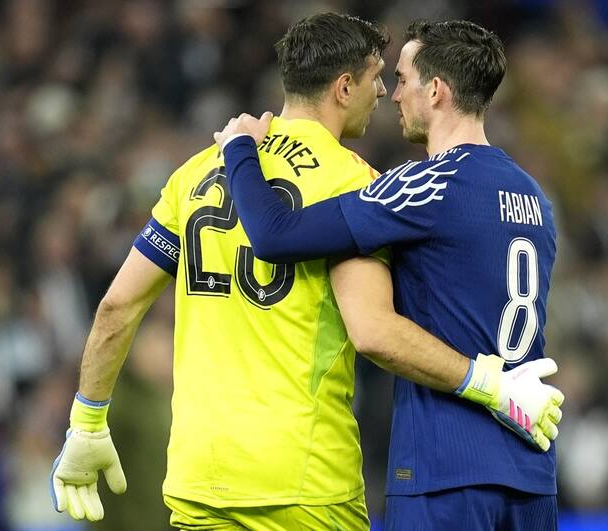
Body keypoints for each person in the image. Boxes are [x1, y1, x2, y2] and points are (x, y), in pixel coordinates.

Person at [50, 13, 562, 531]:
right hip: (310, 482)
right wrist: (490, 384)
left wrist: (87, 422)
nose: (386, 92)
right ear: (344, 87)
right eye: (378, 78)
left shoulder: (196, 172)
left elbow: (118, 306)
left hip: (200, 478)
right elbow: (374, 329)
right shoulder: (360, 182)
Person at [216, 19, 563, 530]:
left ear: (437, 90)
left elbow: (275, 236)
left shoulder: (426, 185)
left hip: (444, 468)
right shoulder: (535, 198)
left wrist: (239, 152)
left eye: (403, 79)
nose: (393, 94)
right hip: (531, 466)